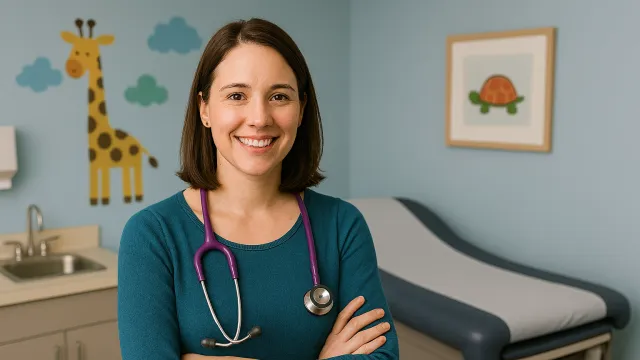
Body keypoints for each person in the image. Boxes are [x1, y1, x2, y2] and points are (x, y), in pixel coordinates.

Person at [117, 17, 399, 360]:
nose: (259, 117)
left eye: (279, 96)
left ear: (301, 109)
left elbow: (380, 356)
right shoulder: (153, 235)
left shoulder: (342, 226)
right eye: (236, 95)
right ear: (205, 108)